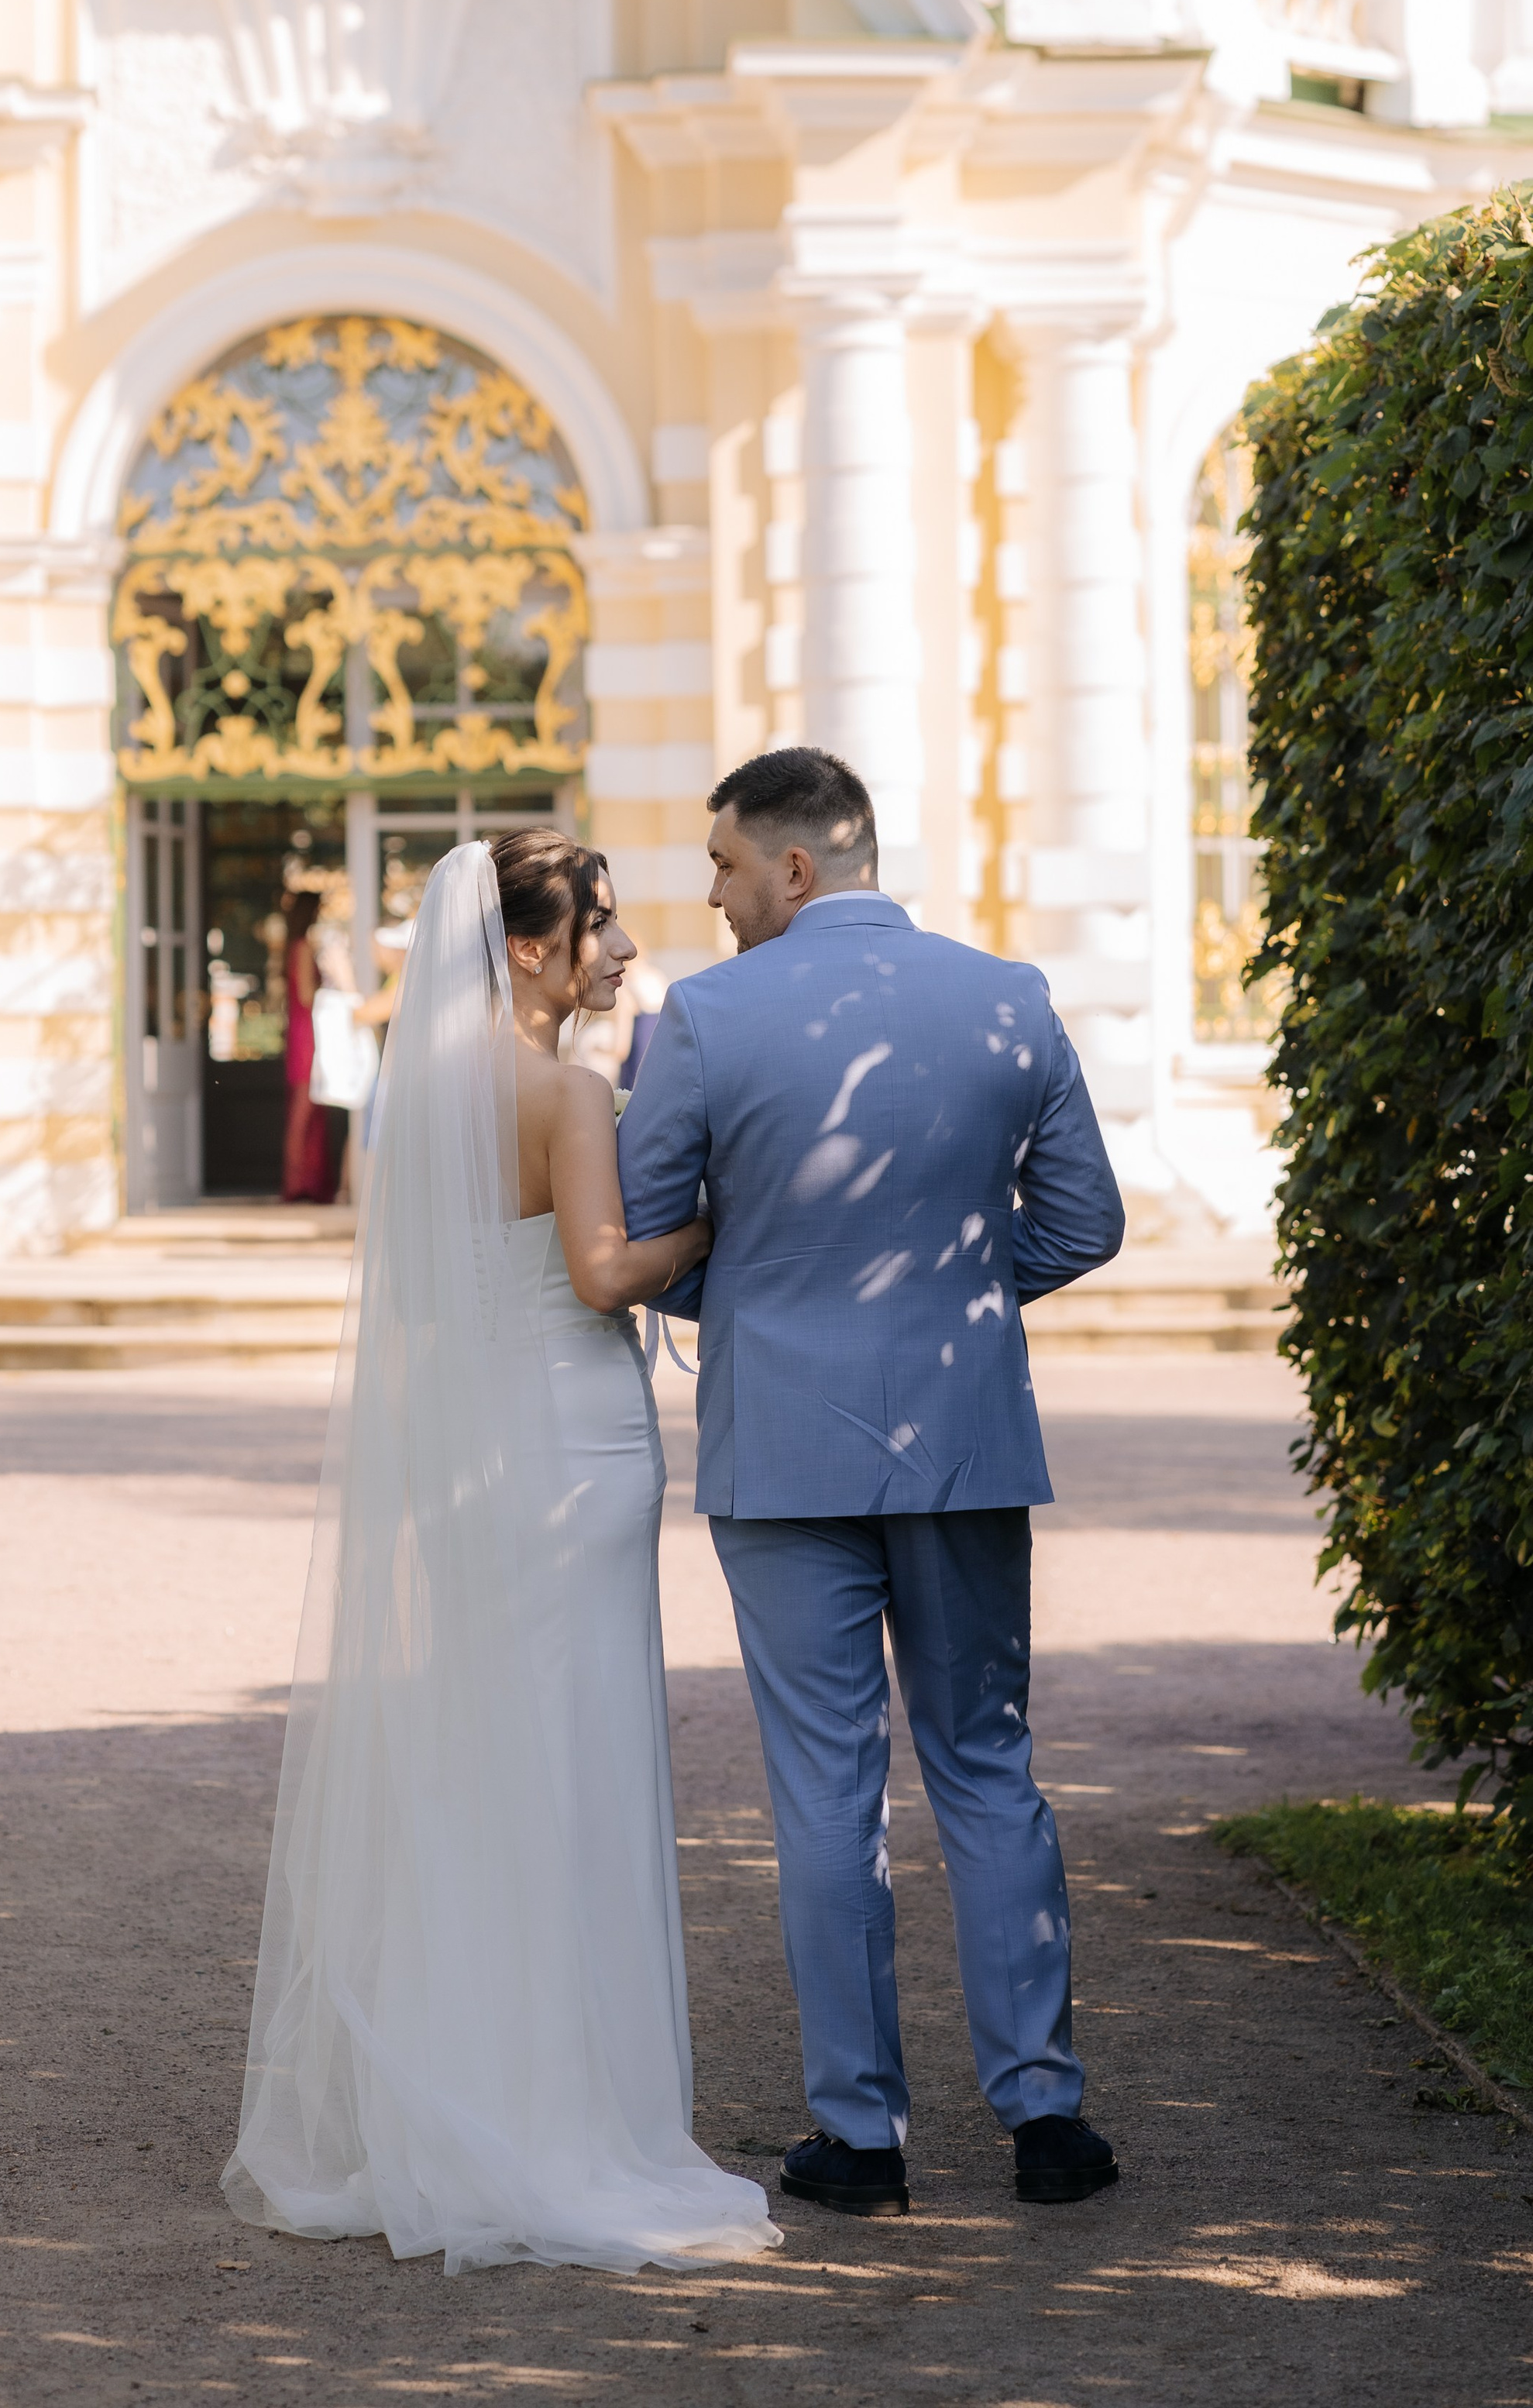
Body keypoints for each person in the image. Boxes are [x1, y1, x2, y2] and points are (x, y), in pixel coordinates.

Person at [222, 832, 779, 2274]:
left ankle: (455, 2093)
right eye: (601, 930)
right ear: (529, 949)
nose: (623, 953)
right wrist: (705, 1228)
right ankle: (559, 2122)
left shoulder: (418, 1096)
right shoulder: (568, 1088)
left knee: (485, 1772)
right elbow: (602, 1272)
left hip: (471, 1458)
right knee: (576, 1772)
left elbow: (418, 1311)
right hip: (573, 1444)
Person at [617, 745, 1127, 2217]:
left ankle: (863, 2140)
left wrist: (769, 1297)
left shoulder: (706, 1021)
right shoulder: (1010, 998)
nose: (709, 898)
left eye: (722, 865)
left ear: (794, 866)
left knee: (825, 1795)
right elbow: (1083, 1220)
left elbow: (656, 1225)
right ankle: (1047, 2122)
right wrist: (960, 1301)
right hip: (966, 1438)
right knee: (988, 1767)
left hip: (782, 1449)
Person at [279, 889, 335, 1205]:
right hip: (307, 1036)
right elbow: (306, 995)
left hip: (304, 1033)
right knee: (304, 1112)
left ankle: (306, 1183)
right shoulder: (302, 947)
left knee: (306, 1111)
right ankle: (298, 1183)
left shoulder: (295, 945)